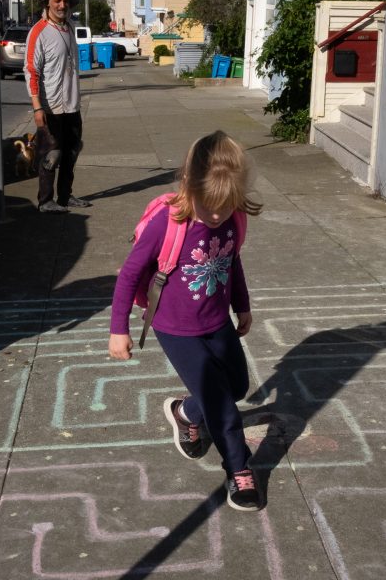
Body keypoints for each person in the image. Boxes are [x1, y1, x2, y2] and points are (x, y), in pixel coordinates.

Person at [108, 131, 263, 511]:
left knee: (238, 386)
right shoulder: (168, 222)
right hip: (174, 327)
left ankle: (185, 412)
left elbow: (231, 260)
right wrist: (118, 329)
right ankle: (238, 467)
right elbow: (129, 274)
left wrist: (242, 304)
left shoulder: (233, 215)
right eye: (209, 207)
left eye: (225, 208)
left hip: (216, 320)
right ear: (188, 184)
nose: (216, 216)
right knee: (223, 406)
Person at [23, 0, 91, 213]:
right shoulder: (39, 31)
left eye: (66, 1)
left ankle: (65, 196)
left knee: (71, 153)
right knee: (51, 155)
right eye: (57, 1)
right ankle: (45, 201)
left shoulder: (70, 26)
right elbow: (31, 71)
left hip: (72, 105)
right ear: (47, 4)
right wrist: (37, 107)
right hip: (50, 106)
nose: (63, 5)